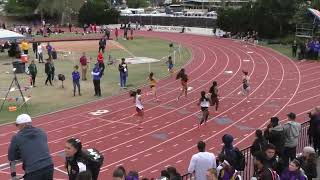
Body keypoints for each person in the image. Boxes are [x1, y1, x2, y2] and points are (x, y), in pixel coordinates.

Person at [8, 114, 53, 180]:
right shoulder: (41, 131)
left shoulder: (17, 137)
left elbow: (11, 157)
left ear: (23, 125)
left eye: (17, 125)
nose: (17, 127)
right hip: (49, 166)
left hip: (33, 170)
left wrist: (21, 154)